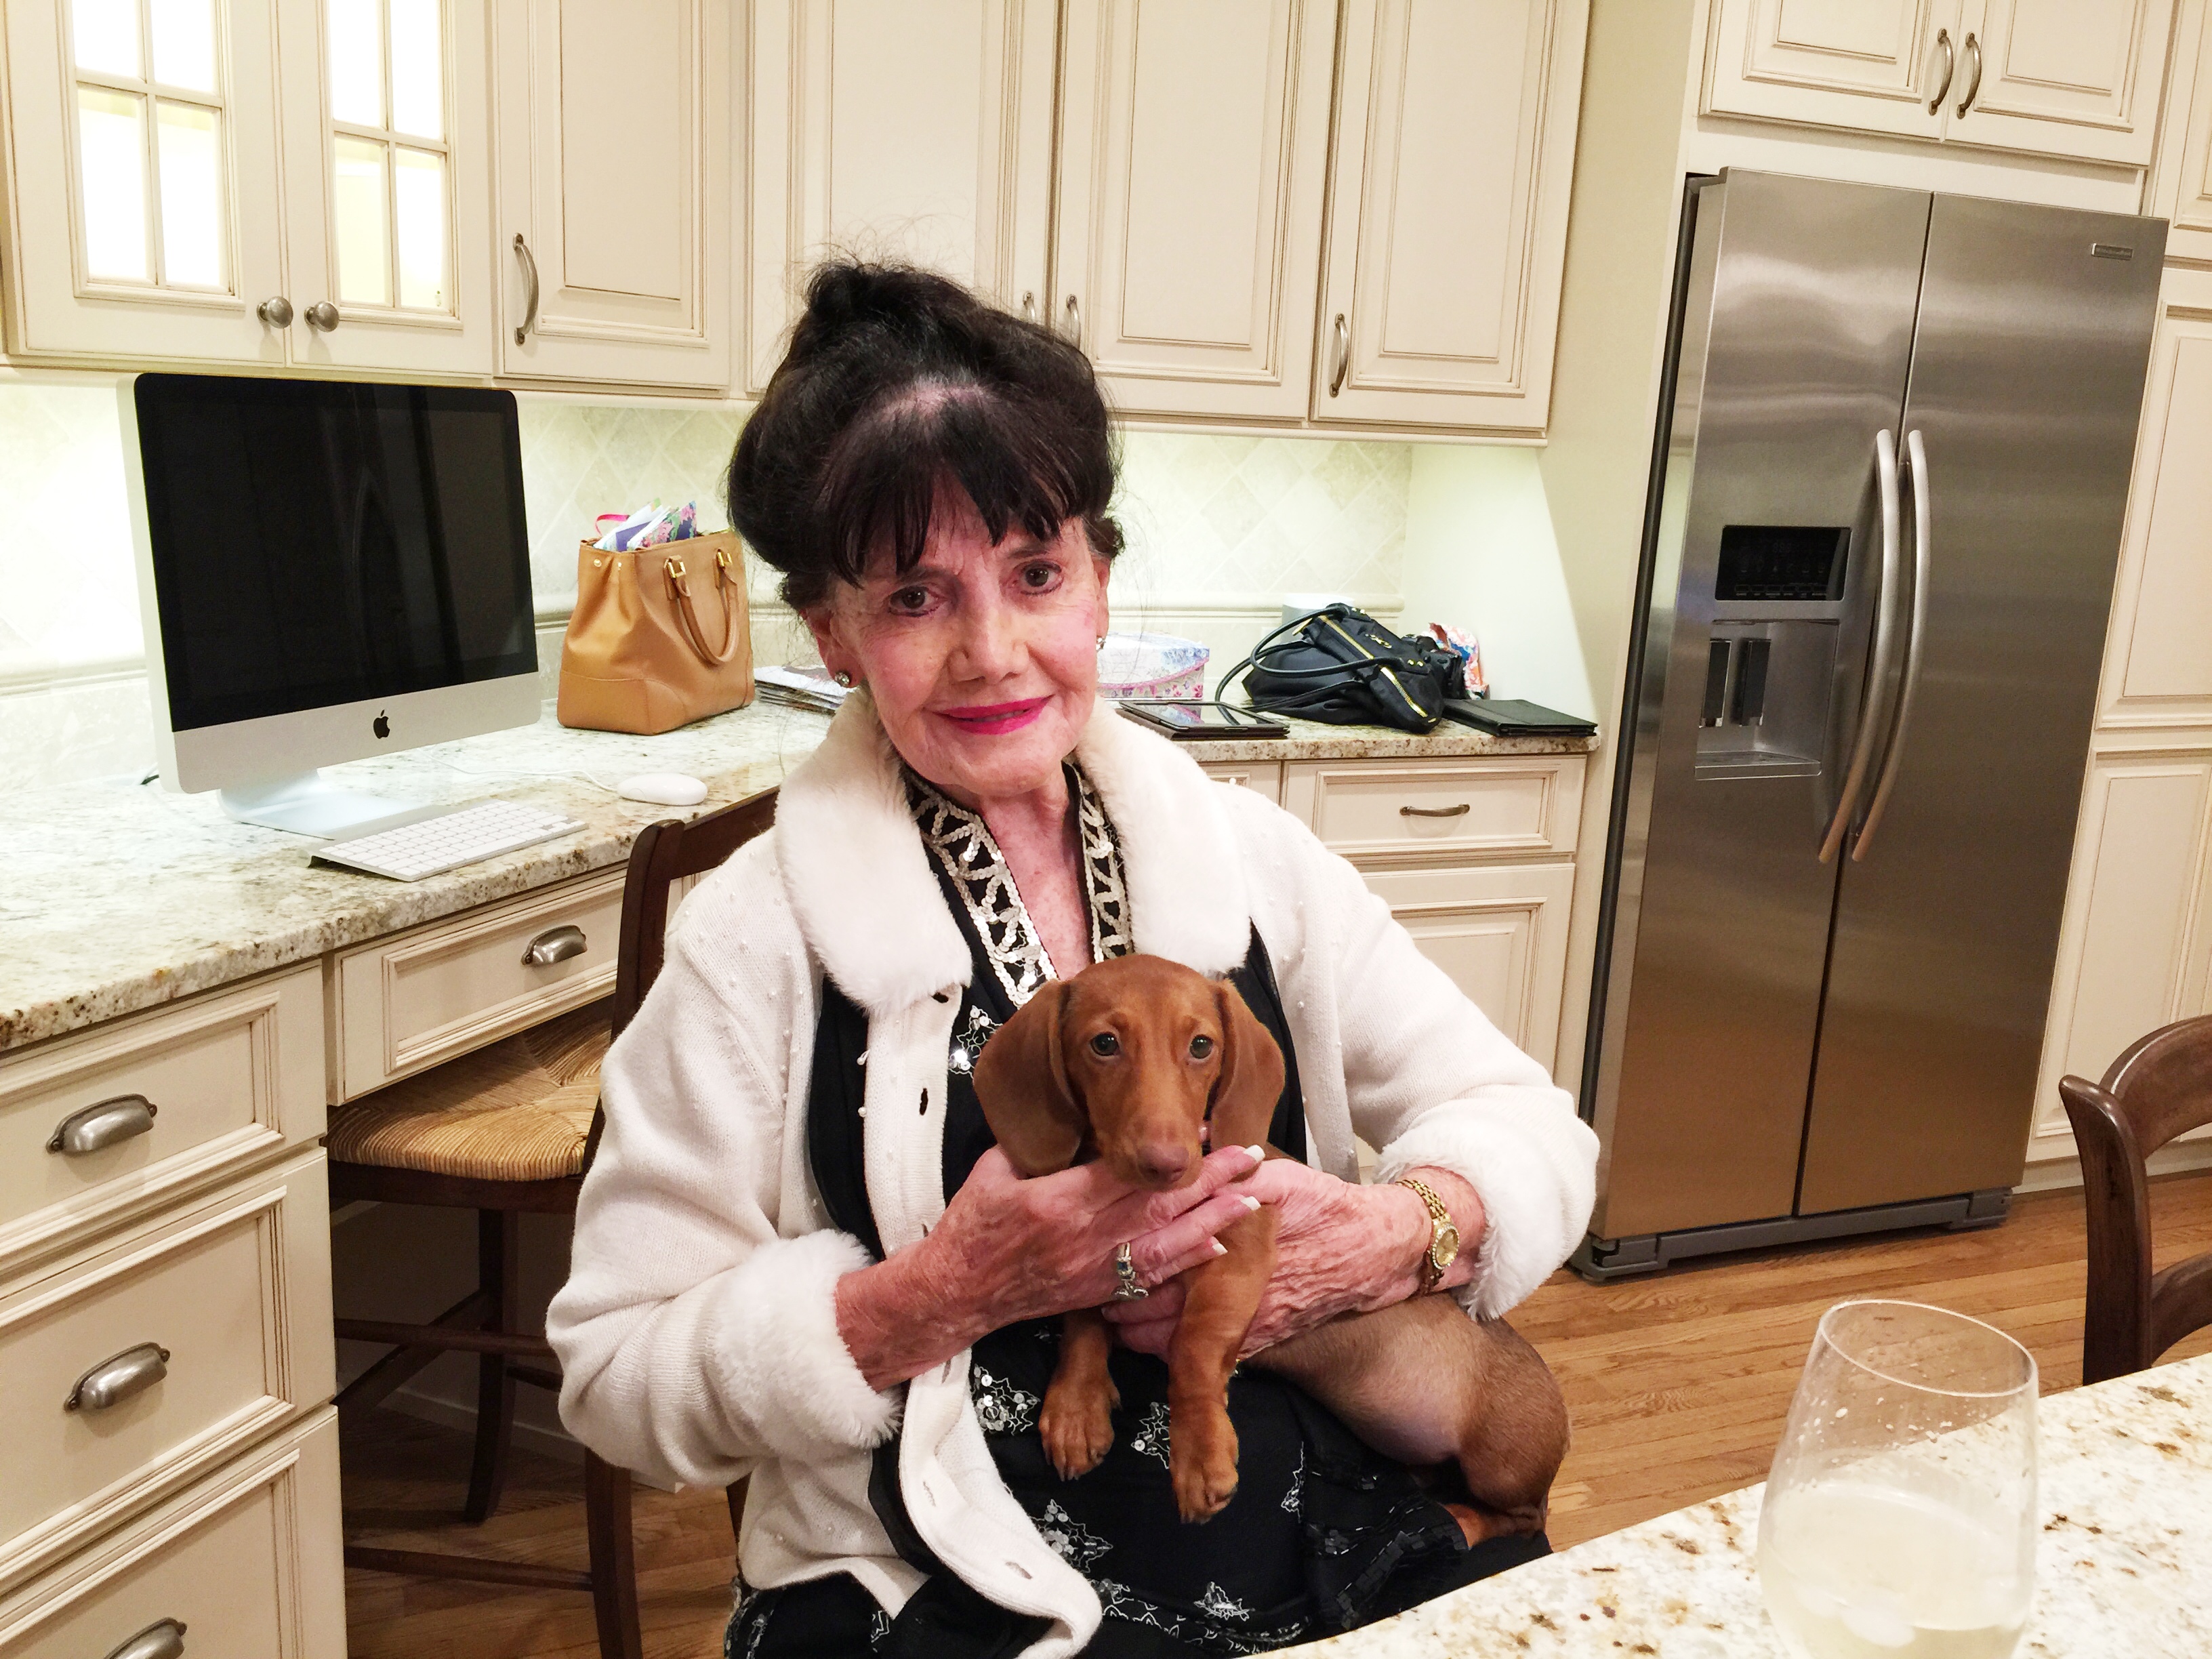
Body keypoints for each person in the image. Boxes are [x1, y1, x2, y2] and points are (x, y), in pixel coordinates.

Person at [547, 263, 1599, 1659]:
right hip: (927, 1572)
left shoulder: (1253, 862)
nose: (993, 653)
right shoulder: (756, 940)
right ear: (836, 636)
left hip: (1316, 1517)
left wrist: (1397, 1232)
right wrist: (934, 1296)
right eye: (916, 597)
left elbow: (1531, 1127)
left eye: (1035, 574)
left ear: (1099, 581)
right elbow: (615, 1375)